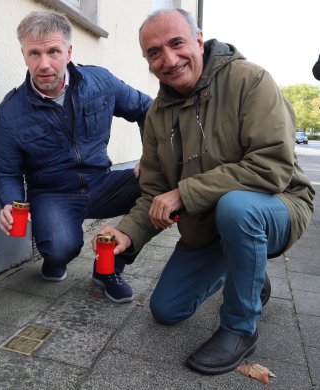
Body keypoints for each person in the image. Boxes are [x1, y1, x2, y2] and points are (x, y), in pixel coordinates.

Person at [92, 8, 314, 374]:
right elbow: (153, 192)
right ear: (147, 61)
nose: (169, 59)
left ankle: (240, 329)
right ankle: (248, 269)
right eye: (154, 52)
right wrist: (126, 232)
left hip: (277, 206)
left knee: (237, 208)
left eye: (177, 43)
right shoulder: (158, 115)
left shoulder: (250, 80)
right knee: (165, 310)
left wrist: (184, 193)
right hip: (208, 225)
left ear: (198, 40)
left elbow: (271, 166)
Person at [0, 10, 152, 304]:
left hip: (100, 184)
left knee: (159, 189)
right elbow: (7, 172)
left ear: (68, 51)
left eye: (53, 51)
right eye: (34, 53)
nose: (44, 64)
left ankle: (109, 268)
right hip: (53, 194)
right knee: (60, 248)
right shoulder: (11, 112)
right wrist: (8, 202)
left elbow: (148, 110)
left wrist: (151, 157)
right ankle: (55, 256)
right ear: (23, 55)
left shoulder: (100, 82)